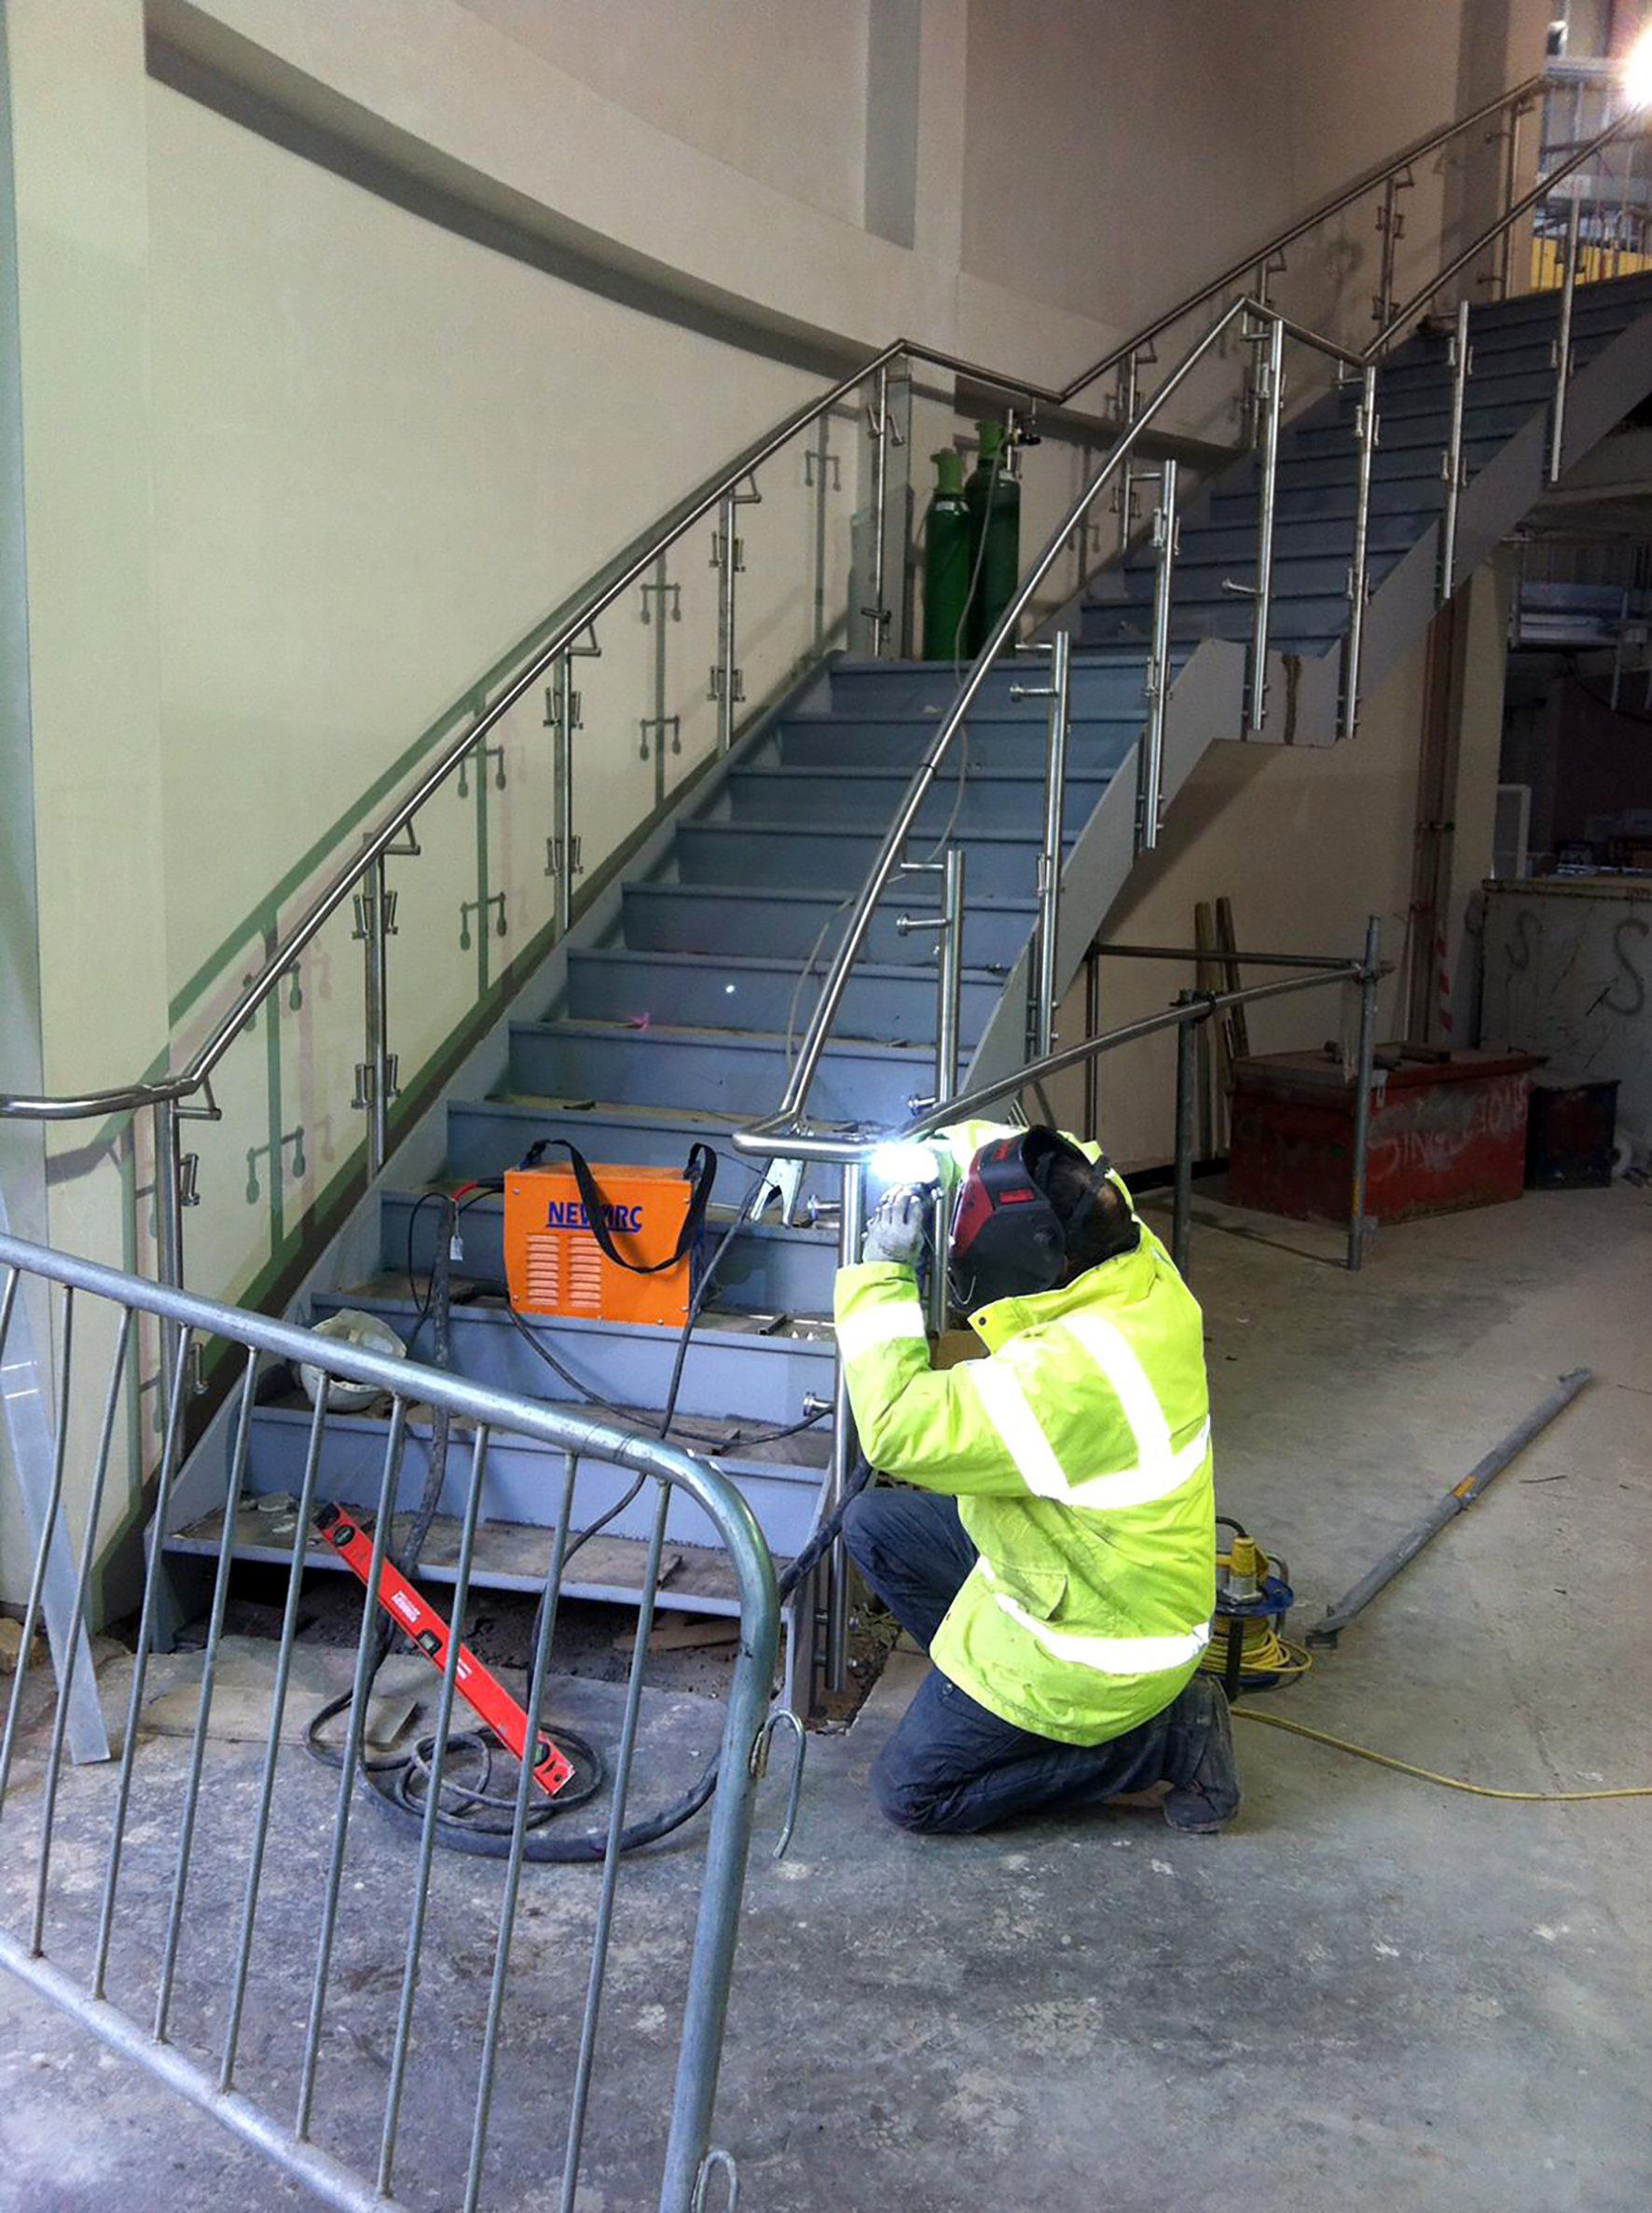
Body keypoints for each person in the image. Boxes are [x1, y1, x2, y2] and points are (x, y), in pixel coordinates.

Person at [836, 1120, 1239, 1836]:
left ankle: (1165, 1738)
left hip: (1105, 1639)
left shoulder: (1070, 1377)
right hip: (1074, 1561)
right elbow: (1051, 1155)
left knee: (912, 1795)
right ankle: (1003, 1711)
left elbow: (896, 1427)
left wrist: (881, 1276)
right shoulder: (1133, 1255)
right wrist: (932, 1149)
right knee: (873, 1526)